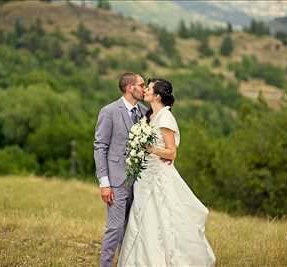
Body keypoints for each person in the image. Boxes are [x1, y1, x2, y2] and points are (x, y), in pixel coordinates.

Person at [117, 78, 216, 267]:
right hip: (145, 175)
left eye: (149, 88)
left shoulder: (165, 118)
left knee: (161, 216)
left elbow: (172, 153)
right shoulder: (150, 115)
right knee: (143, 218)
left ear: (157, 96)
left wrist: (149, 149)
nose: (144, 90)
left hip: (158, 176)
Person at [93, 72, 148, 267]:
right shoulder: (109, 111)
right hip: (116, 181)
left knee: (131, 229)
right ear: (129, 87)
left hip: (139, 181)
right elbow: (100, 147)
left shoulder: (143, 111)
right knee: (115, 228)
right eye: (141, 85)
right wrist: (104, 183)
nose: (145, 88)